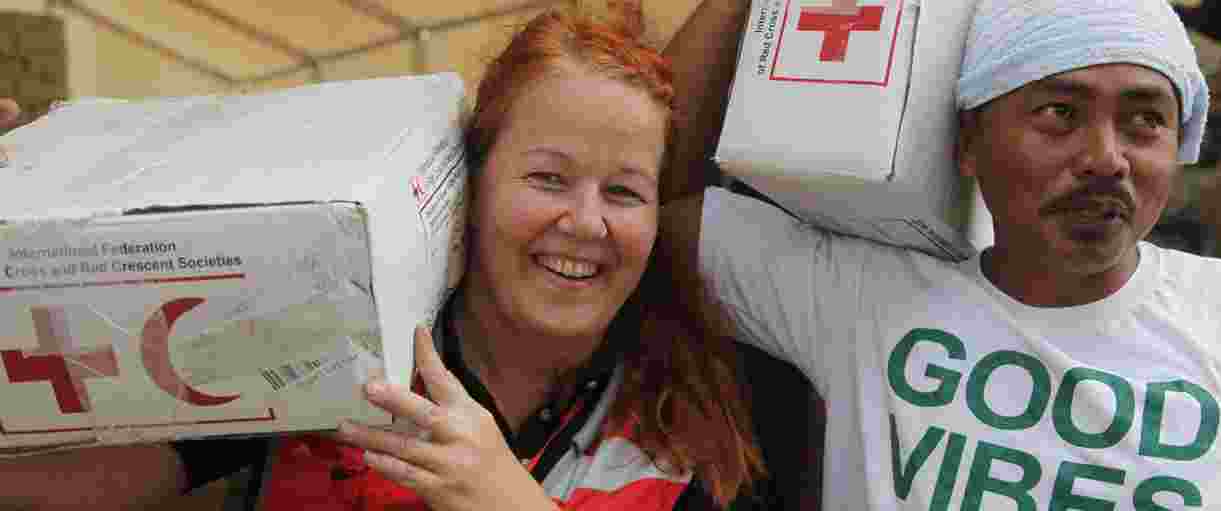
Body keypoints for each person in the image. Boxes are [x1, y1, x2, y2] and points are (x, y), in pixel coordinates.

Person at [0, 3, 824, 510]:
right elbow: (80, 482)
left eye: (625, 192)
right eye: (548, 177)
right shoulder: (335, 333)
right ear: (471, 182)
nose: (583, 222)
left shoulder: (702, 429)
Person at [648, 0, 1221, 509]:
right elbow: (642, 195)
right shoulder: (861, 299)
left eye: (1145, 122)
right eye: (1059, 114)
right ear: (969, 143)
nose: (1107, 158)